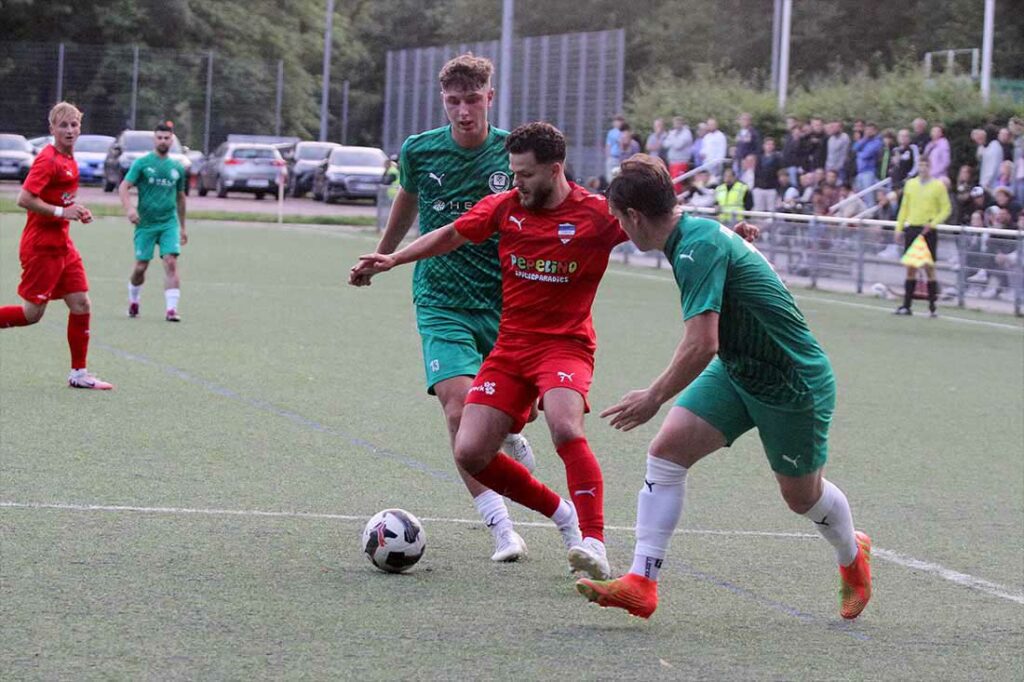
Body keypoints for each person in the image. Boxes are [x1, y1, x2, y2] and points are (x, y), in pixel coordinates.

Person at [574, 154, 871, 621]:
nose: (621, 231)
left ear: (633, 216)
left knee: (802, 498)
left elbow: (702, 344)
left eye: (618, 218)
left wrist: (652, 396)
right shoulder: (694, 234)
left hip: (790, 381)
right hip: (739, 369)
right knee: (667, 452)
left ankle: (853, 555)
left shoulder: (695, 246)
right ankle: (641, 581)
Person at [351, 122, 630, 579]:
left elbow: (666, 228)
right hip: (512, 346)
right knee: (470, 450)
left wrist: (732, 240)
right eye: (512, 173)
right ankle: (564, 517)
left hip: (564, 346)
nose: (514, 182)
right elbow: (451, 234)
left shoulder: (597, 215)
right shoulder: (505, 206)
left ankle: (594, 541)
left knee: (564, 426)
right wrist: (393, 258)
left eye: (524, 175)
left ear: (555, 170)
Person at [349, 54, 535, 562]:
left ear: (489, 99)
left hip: (508, 301)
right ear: (443, 102)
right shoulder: (419, 150)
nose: (463, 111)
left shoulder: (515, 154)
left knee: (520, 416)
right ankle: (501, 528)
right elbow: (406, 201)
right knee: (459, 409)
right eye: (453, 102)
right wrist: (383, 255)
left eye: (472, 100)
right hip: (440, 298)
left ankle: (513, 433)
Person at [0, 102, 112, 390]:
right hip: (41, 248)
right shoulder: (47, 159)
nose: (70, 130)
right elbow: (23, 199)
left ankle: (79, 374)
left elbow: (60, 199)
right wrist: (63, 213)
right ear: (52, 129)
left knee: (81, 303)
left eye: (74, 125)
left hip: (63, 245)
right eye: (63, 125)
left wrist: (76, 210)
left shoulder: (69, 158)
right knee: (31, 315)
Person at [119, 121, 188, 321]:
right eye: (160, 137)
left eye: (167, 138)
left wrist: (182, 227)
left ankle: (171, 310)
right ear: (154, 139)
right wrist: (130, 208)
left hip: (169, 224)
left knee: (171, 262)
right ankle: (134, 300)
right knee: (141, 266)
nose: (163, 141)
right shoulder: (142, 164)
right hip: (145, 224)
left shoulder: (177, 168)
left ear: (172, 140)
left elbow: (181, 198)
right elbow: (124, 187)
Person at [893, 158, 951, 317]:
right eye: (921, 165)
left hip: (928, 231)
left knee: (929, 268)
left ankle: (932, 307)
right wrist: (899, 228)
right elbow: (904, 207)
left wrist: (933, 223)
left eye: (926, 166)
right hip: (912, 228)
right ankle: (906, 305)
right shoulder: (911, 184)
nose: (923, 168)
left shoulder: (938, 186)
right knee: (911, 268)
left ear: (930, 167)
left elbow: (946, 209)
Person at [663, 117, 693, 190]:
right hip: (672, 162)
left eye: (678, 123)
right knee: (672, 182)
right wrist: (673, 139)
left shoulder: (686, 133)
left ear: (682, 123)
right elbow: (665, 144)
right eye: (675, 123)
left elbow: (678, 145)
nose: (676, 125)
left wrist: (672, 138)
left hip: (681, 162)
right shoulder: (673, 132)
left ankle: (678, 198)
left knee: (678, 183)